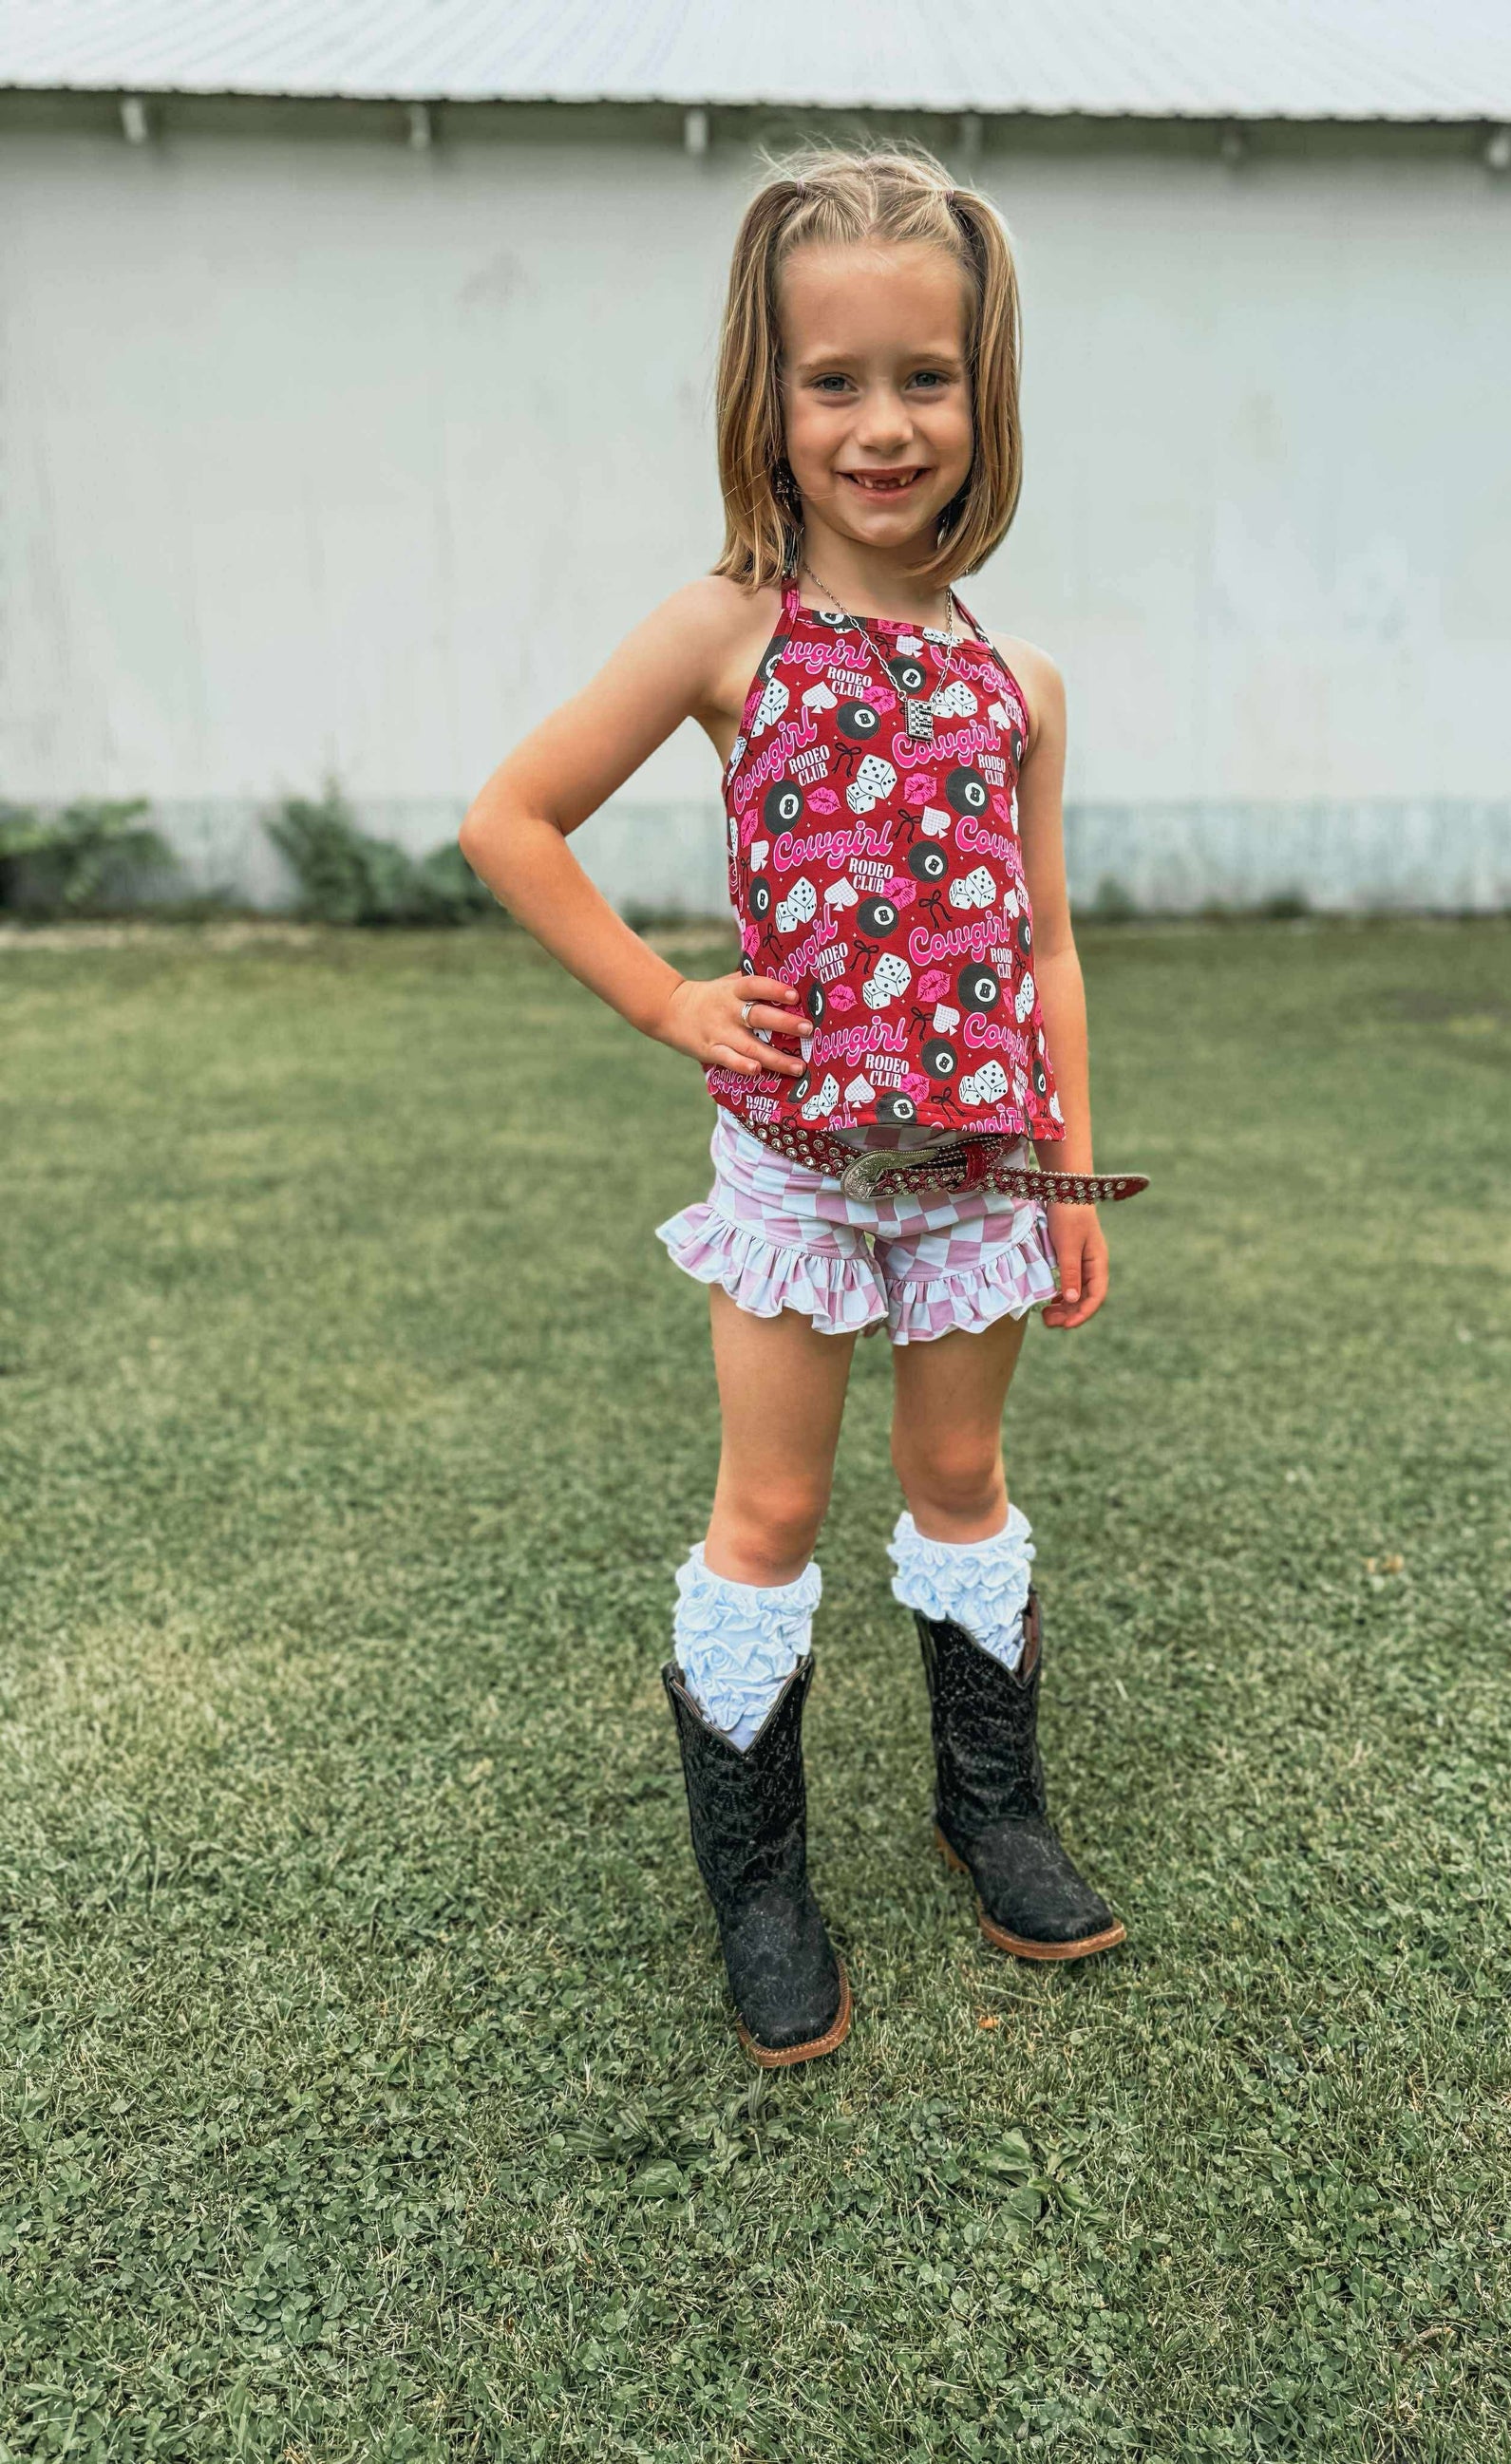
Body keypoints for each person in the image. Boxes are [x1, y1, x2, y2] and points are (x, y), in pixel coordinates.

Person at [461, 143, 1145, 2068]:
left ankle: (989, 1810)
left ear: (981, 394)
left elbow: (1045, 944)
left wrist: (1069, 1168)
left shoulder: (1016, 678)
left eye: (923, 377)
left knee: (959, 1487)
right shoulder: (725, 631)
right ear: (767, 400)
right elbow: (510, 820)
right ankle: (759, 1883)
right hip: (796, 1180)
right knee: (767, 1503)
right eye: (833, 380)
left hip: (977, 1187)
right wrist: (670, 997)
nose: (881, 423)